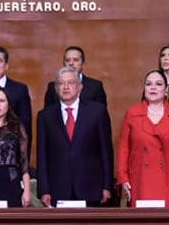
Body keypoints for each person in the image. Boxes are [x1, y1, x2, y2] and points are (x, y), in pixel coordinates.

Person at [117, 70, 169, 207]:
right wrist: (123, 178)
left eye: (158, 84)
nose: (153, 87)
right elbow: (124, 149)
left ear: (166, 90)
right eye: (149, 84)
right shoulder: (132, 113)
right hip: (141, 180)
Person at [36, 67, 114, 207]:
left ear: (80, 87)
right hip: (57, 189)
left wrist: (107, 186)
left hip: (91, 188)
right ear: (55, 88)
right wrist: (44, 190)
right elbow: (42, 156)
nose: (65, 87)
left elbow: (106, 152)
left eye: (71, 83)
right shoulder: (45, 116)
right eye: (61, 83)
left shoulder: (97, 112)